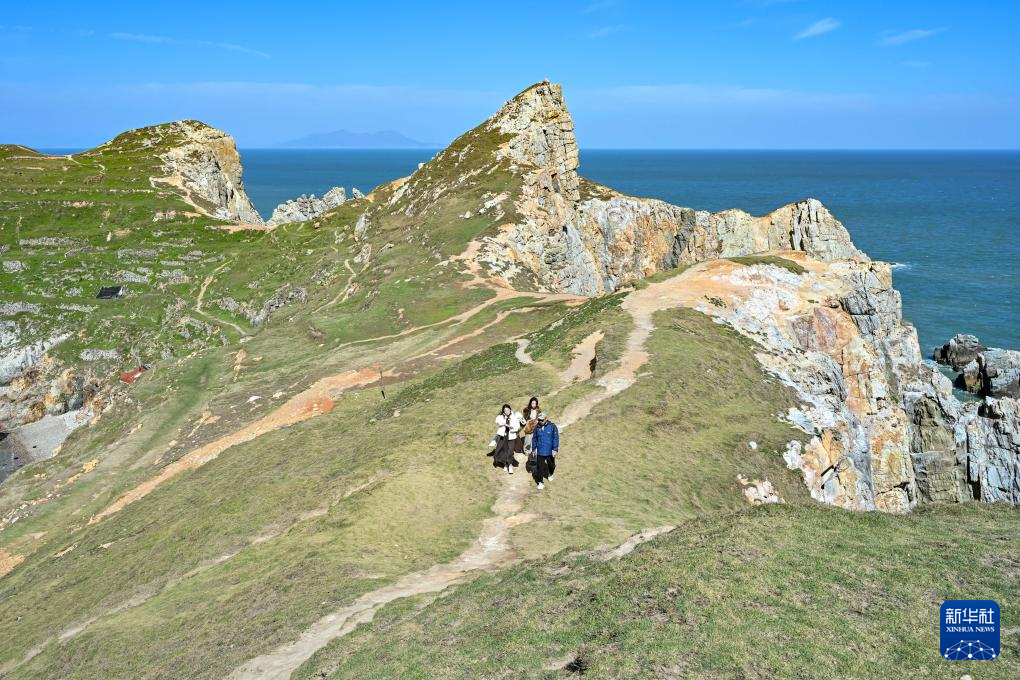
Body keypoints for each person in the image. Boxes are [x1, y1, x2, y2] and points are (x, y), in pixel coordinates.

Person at [530, 411, 559, 490]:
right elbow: (534, 438)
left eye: (542, 420)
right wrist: (533, 449)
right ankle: (540, 482)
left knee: (552, 466)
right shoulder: (537, 427)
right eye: (539, 420)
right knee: (540, 467)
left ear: (546, 419)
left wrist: (555, 449)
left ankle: (550, 474)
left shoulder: (552, 426)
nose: (540, 421)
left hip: (550, 451)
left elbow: (555, 438)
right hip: (540, 451)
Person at [492, 404, 520, 474]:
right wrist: (505, 422)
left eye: (508, 410)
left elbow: (517, 427)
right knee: (504, 451)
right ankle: (505, 464)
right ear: (503, 411)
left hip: (511, 436)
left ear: (510, 409)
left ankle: (510, 465)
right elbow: (497, 421)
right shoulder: (501, 417)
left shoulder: (514, 417)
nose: (507, 411)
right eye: (505, 410)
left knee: (510, 451)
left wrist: (511, 427)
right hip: (503, 436)